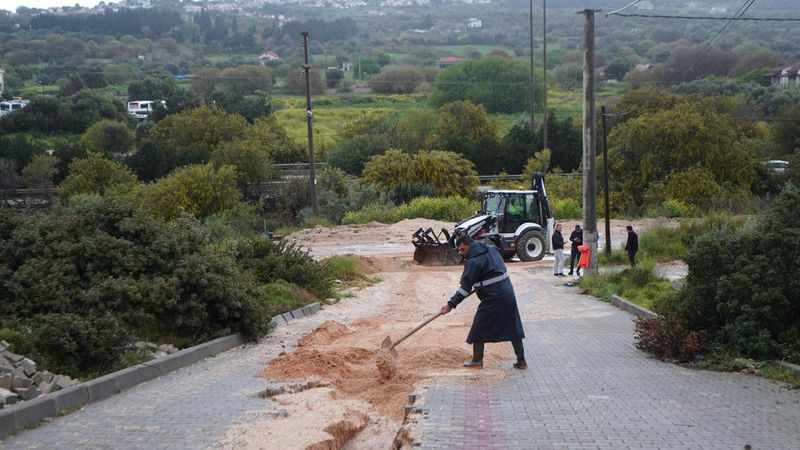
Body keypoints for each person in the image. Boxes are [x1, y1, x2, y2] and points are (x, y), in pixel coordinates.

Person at [440, 235, 527, 370]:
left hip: (493, 297)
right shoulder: (492, 249)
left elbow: (465, 289)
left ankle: (477, 361)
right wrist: (482, 283)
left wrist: (450, 305)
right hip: (507, 292)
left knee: (479, 326)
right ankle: (522, 361)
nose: (461, 253)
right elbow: (494, 268)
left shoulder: (473, 261)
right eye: (459, 251)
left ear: (469, 245)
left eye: (462, 250)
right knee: (513, 326)